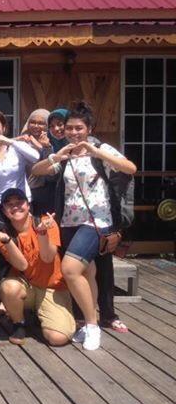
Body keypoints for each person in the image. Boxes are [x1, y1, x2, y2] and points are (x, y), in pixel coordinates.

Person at [32, 101, 137, 350]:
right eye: (70, 128)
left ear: (89, 128)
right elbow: (36, 171)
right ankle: (91, 323)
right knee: (86, 272)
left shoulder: (101, 149)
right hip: (69, 221)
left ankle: (91, 326)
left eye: (79, 128)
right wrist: (56, 156)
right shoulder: (66, 153)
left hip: (96, 221)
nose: (74, 132)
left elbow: (131, 168)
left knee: (70, 269)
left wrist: (97, 152)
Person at [0, 188, 75, 346]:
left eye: (19, 202)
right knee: (8, 287)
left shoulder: (46, 222)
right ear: (5, 212)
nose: (15, 207)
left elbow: (48, 258)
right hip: (28, 286)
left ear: (28, 206)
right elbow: (22, 265)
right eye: (9, 204)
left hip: (53, 287)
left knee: (57, 338)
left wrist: (42, 233)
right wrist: (7, 241)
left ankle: (39, 313)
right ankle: (19, 323)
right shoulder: (3, 235)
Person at [0, 110, 40, 295]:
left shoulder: (15, 147)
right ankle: (4, 297)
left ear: (4, 127)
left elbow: (35, 156)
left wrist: (10, 141)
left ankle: (33, 291)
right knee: (3, 251)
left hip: (22, 205)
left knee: (27, 247)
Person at [16, 109, 54, 216]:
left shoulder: (53, 142)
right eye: (33, 122)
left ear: (48, 125)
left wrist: (41, 146)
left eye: (41, 123)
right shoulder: (22, 142)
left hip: (47, 191)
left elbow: (52, 162)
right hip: (24, 190)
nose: (36, 126)